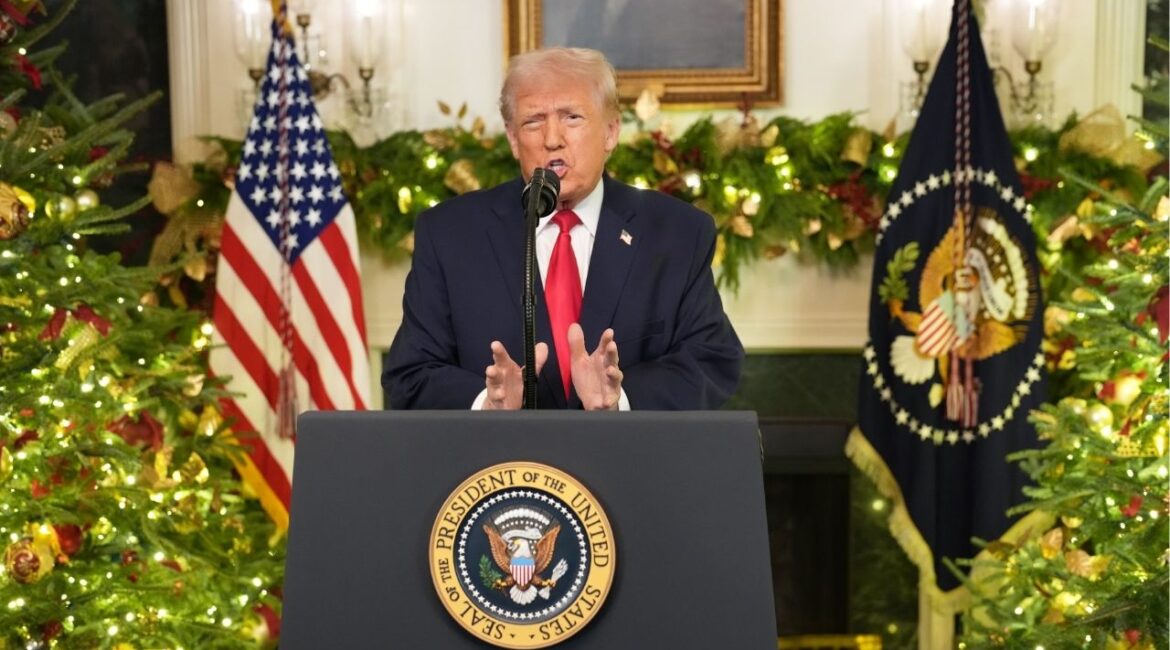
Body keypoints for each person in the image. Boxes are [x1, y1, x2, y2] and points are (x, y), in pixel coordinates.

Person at [383, 47, 742, 410]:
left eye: (572, 117)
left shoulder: (677, 232)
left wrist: (622, 399)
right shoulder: (450, 234)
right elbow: (410, 373)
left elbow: (712, 359)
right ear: (512, 138)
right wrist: (485, 403)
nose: (552, 138)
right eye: (533, 121)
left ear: (611, 131)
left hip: (629, 461)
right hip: (503, 462)